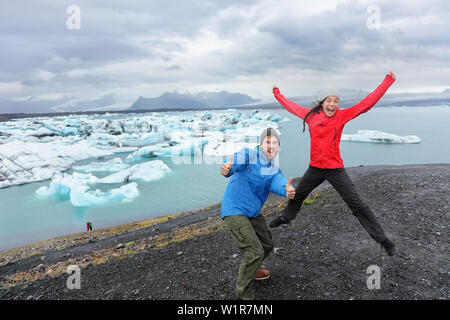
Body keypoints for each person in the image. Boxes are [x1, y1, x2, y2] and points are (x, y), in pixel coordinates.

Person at [269, 72, 397, 256]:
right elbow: (290, 106)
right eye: (329, 100)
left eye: (336, 101)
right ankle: (286, 217)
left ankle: (383, 241)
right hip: (315, 168)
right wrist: (277, 93)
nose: (333, 104)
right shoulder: (310, 115)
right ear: (322, 102)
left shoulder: (342, 116)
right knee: (297, 195)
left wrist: (388, 81)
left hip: (335, 169)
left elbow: (367, 103)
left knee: (357, 205)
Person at [220, 127, 296, 300]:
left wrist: (288, 189)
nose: (271, 145)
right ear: (261, 144)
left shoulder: (273, 169)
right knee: (254, 252)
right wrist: (229, 166)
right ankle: (244, 297)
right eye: (267, 141)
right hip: (234, 210)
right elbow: (237, 160)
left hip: (252, 212)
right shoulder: (249, 154)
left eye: (275, 142)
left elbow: (279, 182)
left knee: (267, 245)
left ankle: (251, 271)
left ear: (278, 146)